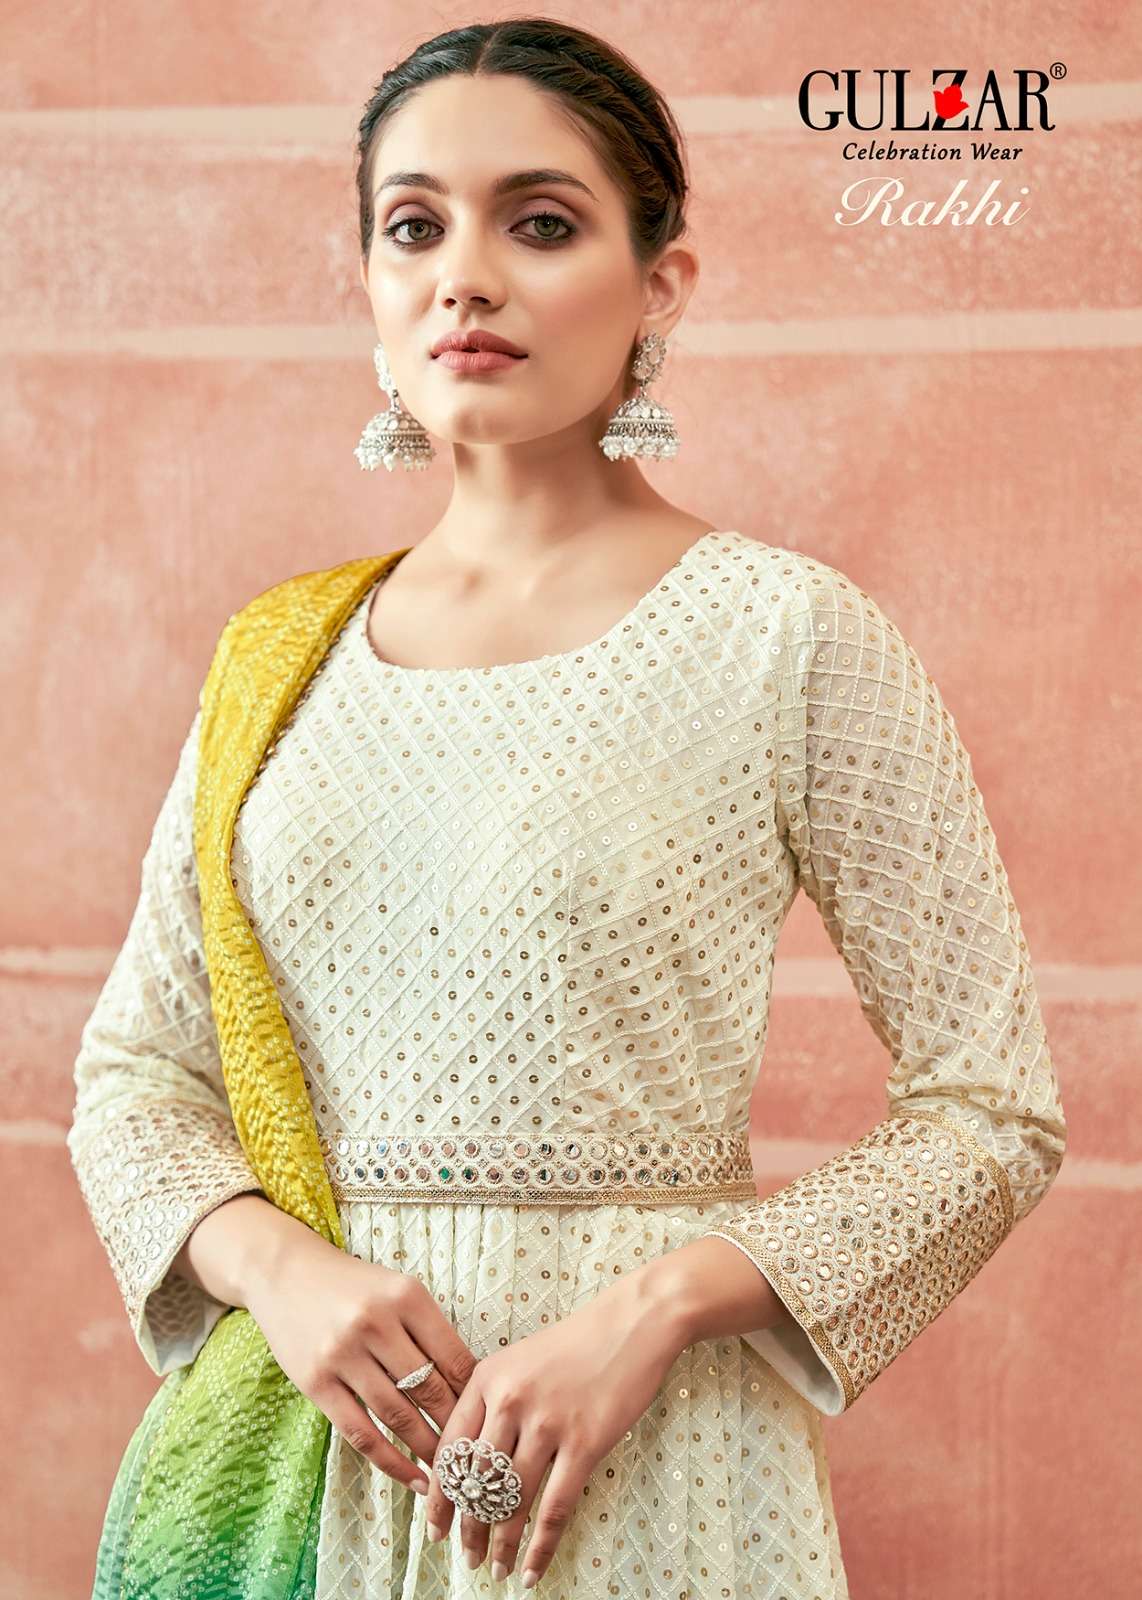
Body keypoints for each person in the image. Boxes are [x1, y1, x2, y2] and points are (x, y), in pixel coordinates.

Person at [68, 18, 1068, 1600]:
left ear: (659, 284)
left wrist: (656, 1310)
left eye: (538, 223)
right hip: (318, 1453)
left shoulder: (782, 636)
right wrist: (281, 1273)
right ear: (369, 283)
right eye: (413, 227)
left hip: (647, 1457)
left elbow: (991, 1107)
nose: (463, 277)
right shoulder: (278, 658)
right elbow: (137, 1072)